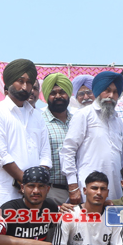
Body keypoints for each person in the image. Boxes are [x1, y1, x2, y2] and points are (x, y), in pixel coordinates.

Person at [0, 58, 52, 210]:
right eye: (20, 81)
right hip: (5, 191)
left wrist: (36, 184)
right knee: (2, 225)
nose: (25, 87)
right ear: (9, 82)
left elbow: (45, 154)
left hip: (34, 195)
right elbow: (1, 155)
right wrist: (26, 182)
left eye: (29, 82)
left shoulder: (37, 116)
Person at [61, 71, 123, 206]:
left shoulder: (117, 120)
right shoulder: (84, 114)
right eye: (107, 90)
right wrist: (73, 186)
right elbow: (68, 151)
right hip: (88, 188)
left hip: (114, 189)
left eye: (115, 92)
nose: (111, 96)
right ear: (98, 90)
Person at [40, 72, 75, 205]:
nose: (58, 96)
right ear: (46, 96)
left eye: (62, 92)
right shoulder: (39, 121)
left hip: (78, 190)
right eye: (53, 93)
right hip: (51, 191)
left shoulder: (78, 121)